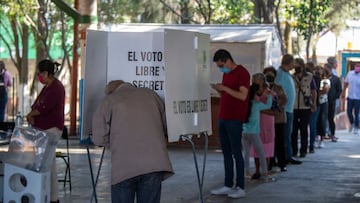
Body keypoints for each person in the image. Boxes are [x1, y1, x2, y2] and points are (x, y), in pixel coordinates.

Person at [92, 80, 174, 203]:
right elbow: (168, 126)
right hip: (153, 165)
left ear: (110, 92)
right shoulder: (151, 95)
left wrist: (115, 142)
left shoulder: (109, 101)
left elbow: (98, 139)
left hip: (123, 167)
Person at [210, 49, 250, 198]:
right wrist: (220, 90)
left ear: (227, 60)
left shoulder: (242, 73)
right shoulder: (226, 73)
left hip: (235, 118)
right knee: (226, 152)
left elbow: (243, 95)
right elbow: (228, 94)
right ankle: (228, 184)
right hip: (223, 116)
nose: (221, 68)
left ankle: (240, 186)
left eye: (221, 65)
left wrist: (225, 88)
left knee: (236, 153)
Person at [25, 59, 65, 203]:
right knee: (48, 165)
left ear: (46, 73)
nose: (39, 77)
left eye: (40, 74)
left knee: (48, 166)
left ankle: (52, 198)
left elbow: (44, 107)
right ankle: (48, 197)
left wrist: (31, 115)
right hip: (43, 130)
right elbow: (37, 104)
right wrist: (31, 115)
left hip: (51, 130)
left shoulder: (56, 88)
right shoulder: (48, 87)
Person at [242, 73, 273, 180]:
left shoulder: (245, 104)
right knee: (261, 153)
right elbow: (268, 106)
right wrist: (269, 96)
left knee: (246, 153)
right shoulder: (256, 104)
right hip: (254, 133)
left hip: (244, 131)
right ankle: (265, 173)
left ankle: (247, 172)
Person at [274, 54, 302, 165]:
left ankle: (287, 155)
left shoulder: (286, 74)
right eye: (293, 63)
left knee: (287, 134)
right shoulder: (280, 75)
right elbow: (278, 92)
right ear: (288, 62)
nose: (294, 65)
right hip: (284, 109)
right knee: (283, 135)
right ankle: (283, 157)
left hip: (289, 109)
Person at [291, 58, 317, 158]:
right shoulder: (292, 77)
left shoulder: (310, 77)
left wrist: (314, 103)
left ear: (301, 66)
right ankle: (294, 150)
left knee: (303, 129)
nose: (295, 67)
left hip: (305, 107)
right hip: (294, 106)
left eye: (297, 65)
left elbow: (314, 91)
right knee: (294, 130)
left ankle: (303, 150)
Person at [263, 66, 288, 172]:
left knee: (279, 141)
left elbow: (284, 99)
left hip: (278, 119)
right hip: (266, 119)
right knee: (268, 142)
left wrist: (275, 106)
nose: (269, 77)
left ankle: (282, 163)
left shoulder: (278, 88)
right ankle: (269, 163)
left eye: (271, 75)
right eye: (267, 75)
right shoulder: (262, 88)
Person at [324, 63, 342, 141]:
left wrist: (334, 97)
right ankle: (323, 134)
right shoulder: (323, 79)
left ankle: (332, 134)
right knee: (322, 118)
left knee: (330, 118)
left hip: (331, 101)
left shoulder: (335, 79)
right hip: (323, 101)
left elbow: (339, 90)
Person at [342, 64, 360, 134]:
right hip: (350, 96)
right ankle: (352, 123)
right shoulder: (350, 74)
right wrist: (343, 92)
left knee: (356, 112)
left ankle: (356, 127)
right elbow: (346, 83)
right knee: (349, 111)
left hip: (358, 97)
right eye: (357, 66)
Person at [307, 63, 321, 153]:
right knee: (312, 126)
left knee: (309, 126)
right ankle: (311, 146)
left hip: (310, 104)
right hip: (313, 104)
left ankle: (310, 145)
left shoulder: (314, 78)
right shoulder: (316, 78)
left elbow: (315, 92)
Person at [316, 66, 330, 148]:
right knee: (317, 120)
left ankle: (322, 138)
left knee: (322, 120)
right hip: (317, 102)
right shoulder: (315, 80)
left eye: (320, 70)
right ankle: (316, 137)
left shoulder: (326, 81)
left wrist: (317, 92)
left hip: (323, 102)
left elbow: (325, 91)